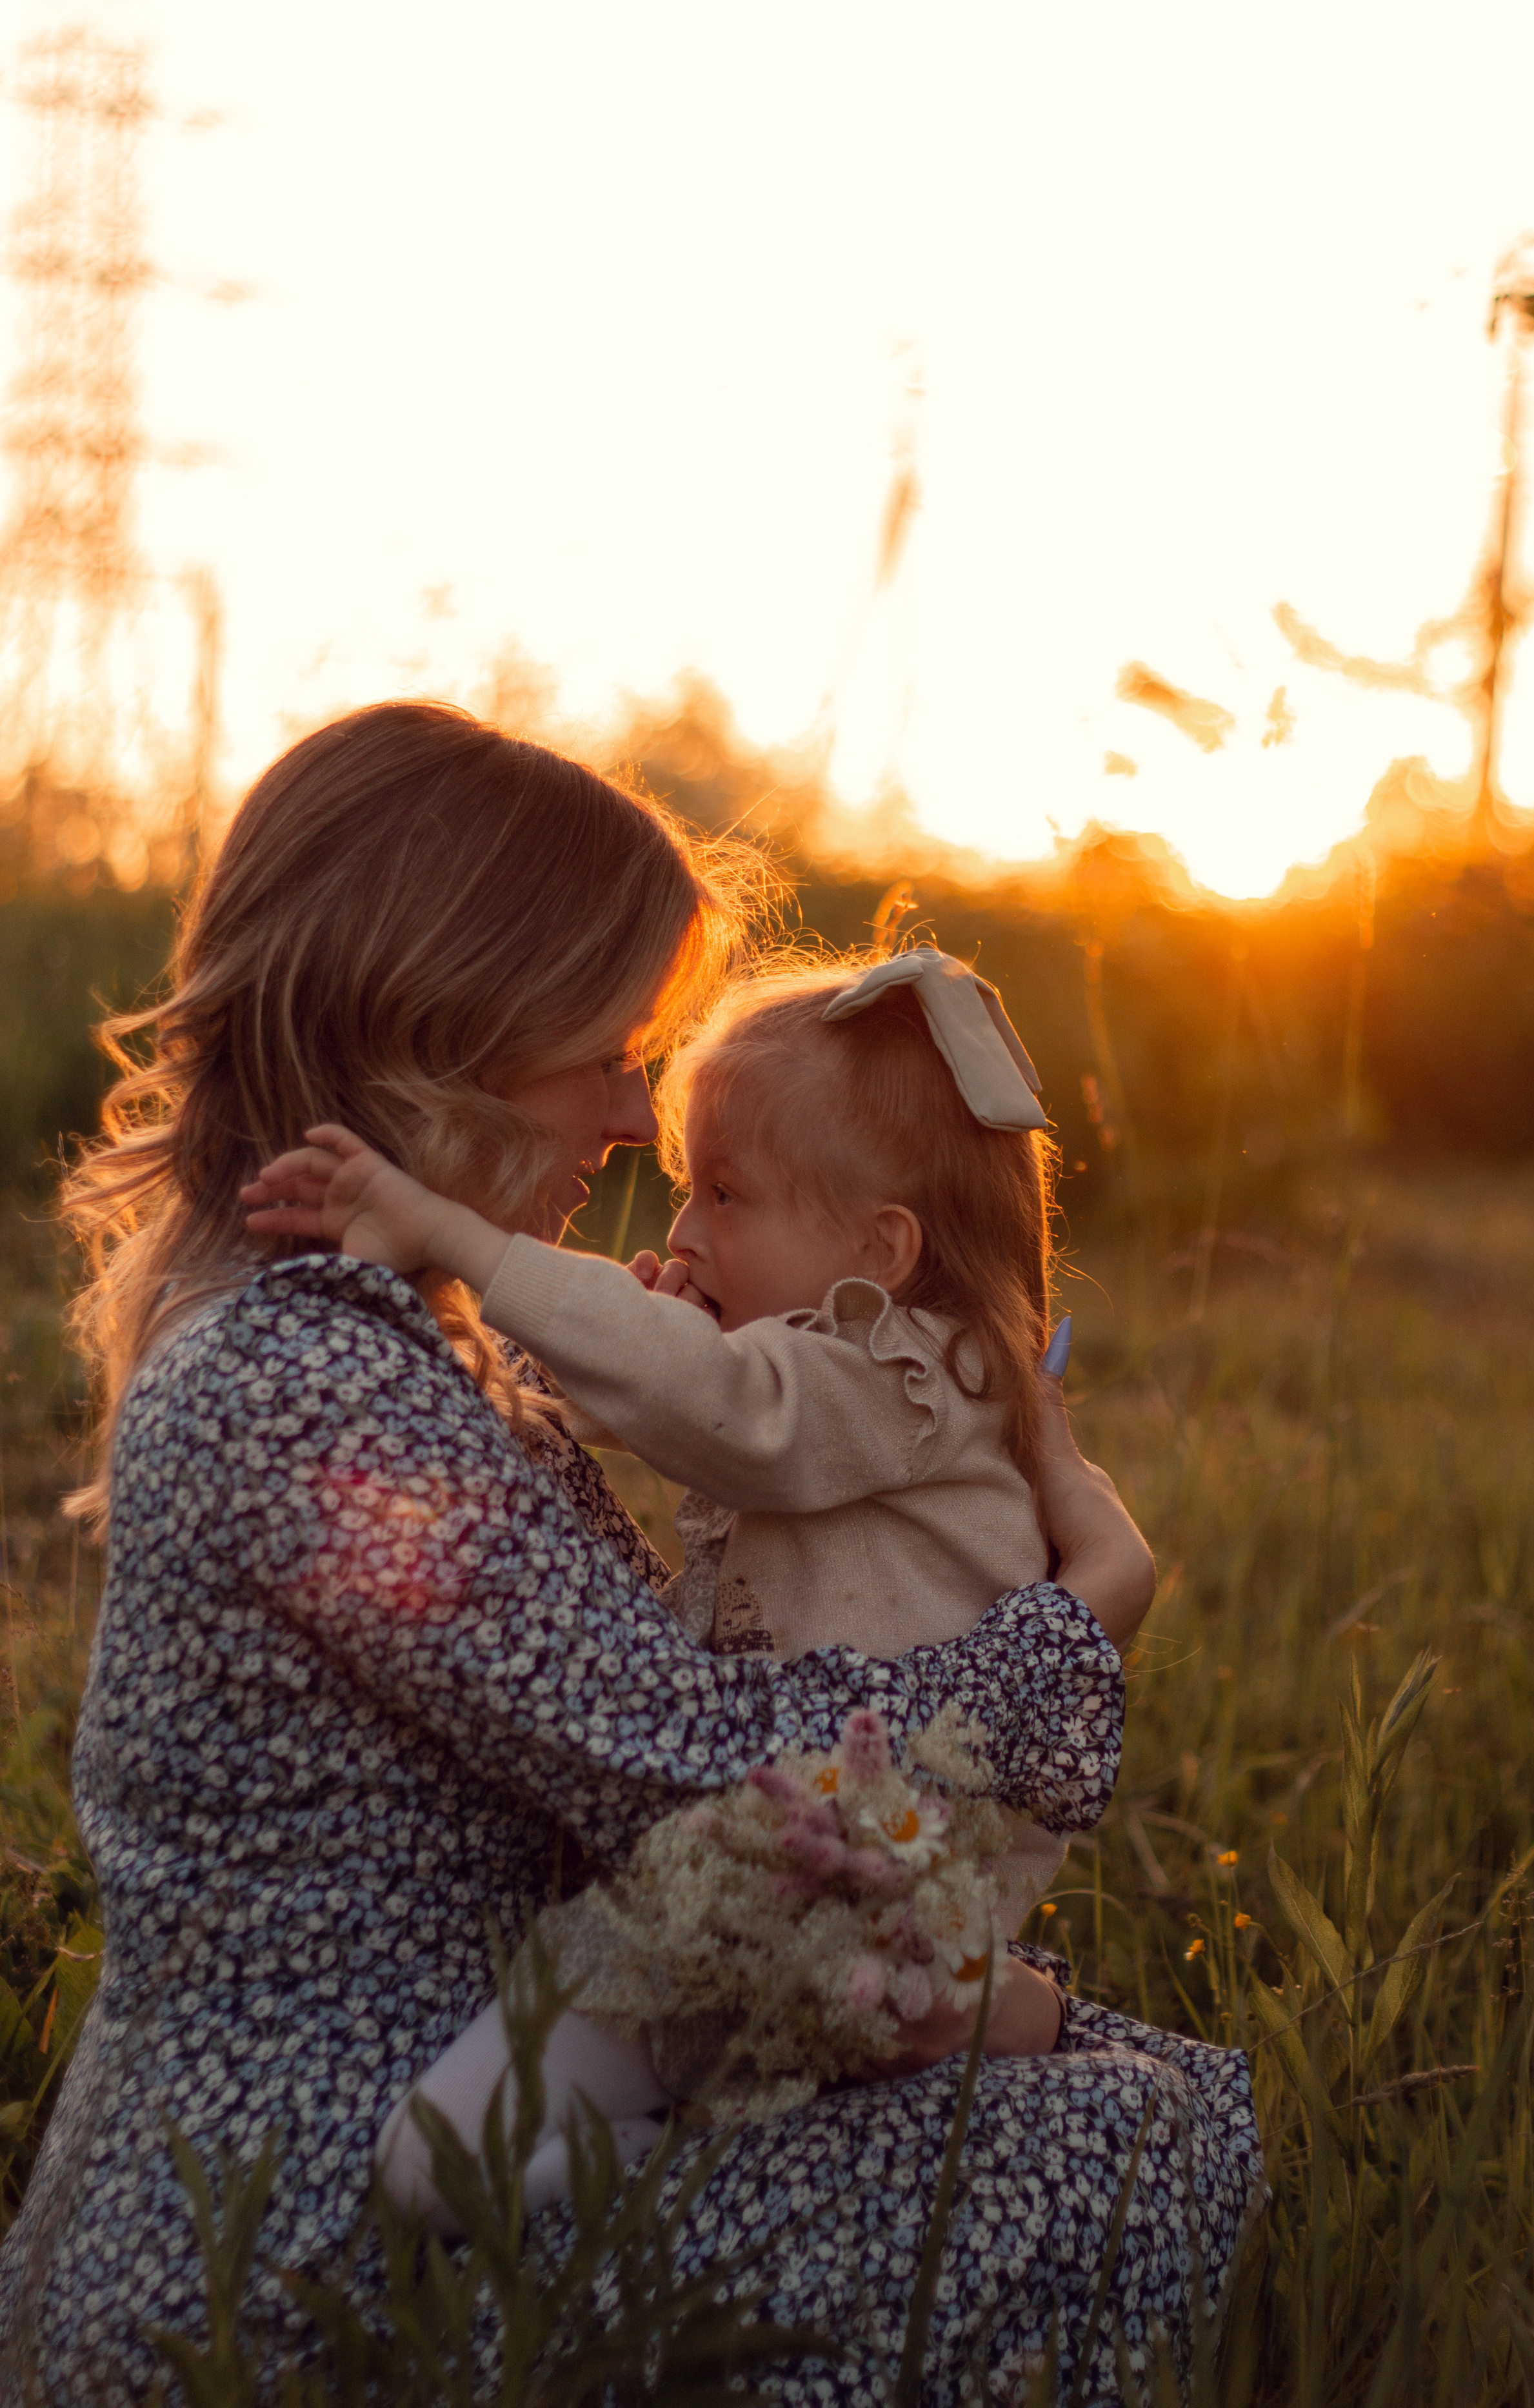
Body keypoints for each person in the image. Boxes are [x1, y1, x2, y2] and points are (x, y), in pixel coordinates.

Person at [0, 702, 1262, 2405]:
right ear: (439, 1024)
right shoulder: (304, 1385)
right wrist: (1082, 1622)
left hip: (479, 2098)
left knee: (1121, 2084)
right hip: (321, 2236)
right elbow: (693, 1771)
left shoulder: (372, 1339)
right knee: (1130, 2146)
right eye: (604, 1052)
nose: (622, 1118)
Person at [240, 944, 1087, 2217]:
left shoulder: (911, 1372)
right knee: (440, 2160)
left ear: (883, 1249)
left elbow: (727, 1411)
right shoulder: (854, 1379)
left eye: (725, 1196)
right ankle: (938, 2020)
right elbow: (690, 1401)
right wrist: (609, 1352)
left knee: (433, 2169)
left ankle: (957, 2011)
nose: (681, 1229)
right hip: (754, 1878)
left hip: (812, 1876)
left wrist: (459, 1243)